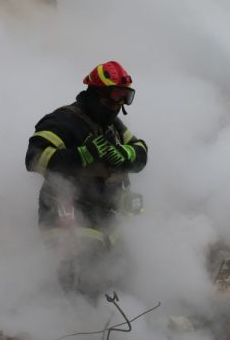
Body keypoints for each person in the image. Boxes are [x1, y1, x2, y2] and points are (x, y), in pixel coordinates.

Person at [25, 61, 148, 297]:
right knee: (83, 285)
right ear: (96, 93)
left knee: (123, 278)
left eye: (124, 99)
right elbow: (34, 159)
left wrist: (126, 154)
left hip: (107, 219)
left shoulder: (112, 125)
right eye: (115, 97)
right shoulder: (62, 121)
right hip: (68, 220)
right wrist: (81, 155)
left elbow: (141, 152)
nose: (118, 106)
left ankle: (117, 319)